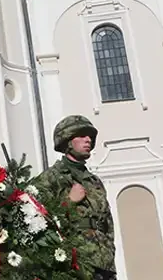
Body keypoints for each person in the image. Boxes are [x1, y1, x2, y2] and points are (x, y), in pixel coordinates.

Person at [33, 115, 117, 280]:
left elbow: (107, 224)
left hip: (104, 264)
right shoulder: (50, 178)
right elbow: (37, 222)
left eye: (90, 137)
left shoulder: (94, 181)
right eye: (82, 135)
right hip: (73, 264)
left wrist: (110, 252)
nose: (88, 140)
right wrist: (69, 202)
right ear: (67, 141)